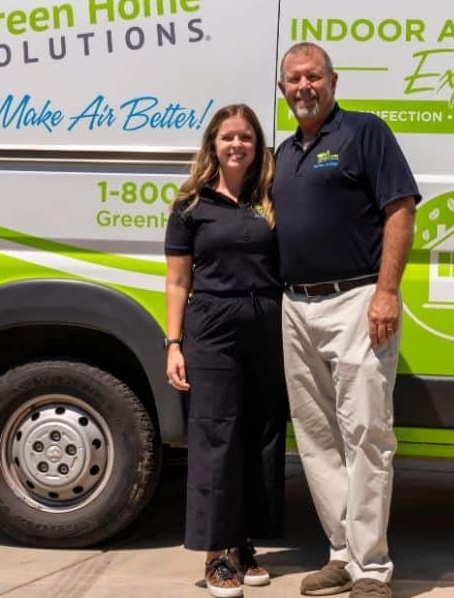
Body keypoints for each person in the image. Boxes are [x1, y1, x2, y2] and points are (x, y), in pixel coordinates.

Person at [272, 43, 420, 598]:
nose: (304, 86)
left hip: (357, 301)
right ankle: (341, 554)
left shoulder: (364, 132)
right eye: (294, 79)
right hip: (296, 306)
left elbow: (400, 209)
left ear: (333, 81)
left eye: (313, 76)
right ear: (282, 89)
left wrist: (387, 291)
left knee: (367, 436)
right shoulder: (286, 153)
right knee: (316, 440)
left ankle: (372, 569)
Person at [165, 103, 287, 598]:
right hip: (211, 325)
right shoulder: (191, 205)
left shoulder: (270, 199)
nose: (237, 145)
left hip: (267, 323)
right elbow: (177, 280)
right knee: (217, 435)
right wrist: (174, 343)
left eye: (246, 138)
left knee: (261, 433)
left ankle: (244, 543)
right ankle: (215, 553)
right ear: (212, 145)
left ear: (258, 147)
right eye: (228, 137)